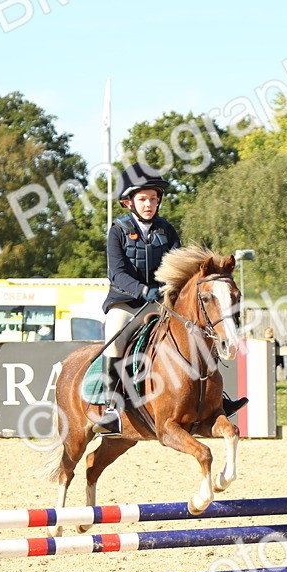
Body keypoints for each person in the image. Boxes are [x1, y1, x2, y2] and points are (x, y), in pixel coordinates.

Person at [94, 164, 248, 434]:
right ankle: (110, 407)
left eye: (153, 199)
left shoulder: (166, 231)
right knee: (115, 336)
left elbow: (181, 269)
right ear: (129, 202)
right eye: (143, 199)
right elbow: (116, 274)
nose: (149, 204)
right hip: (126, 303)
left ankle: (217, 399)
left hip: (160, 302)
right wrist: (142, 290)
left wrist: (168, 291)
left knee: (198, 333)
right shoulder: (117, 231)